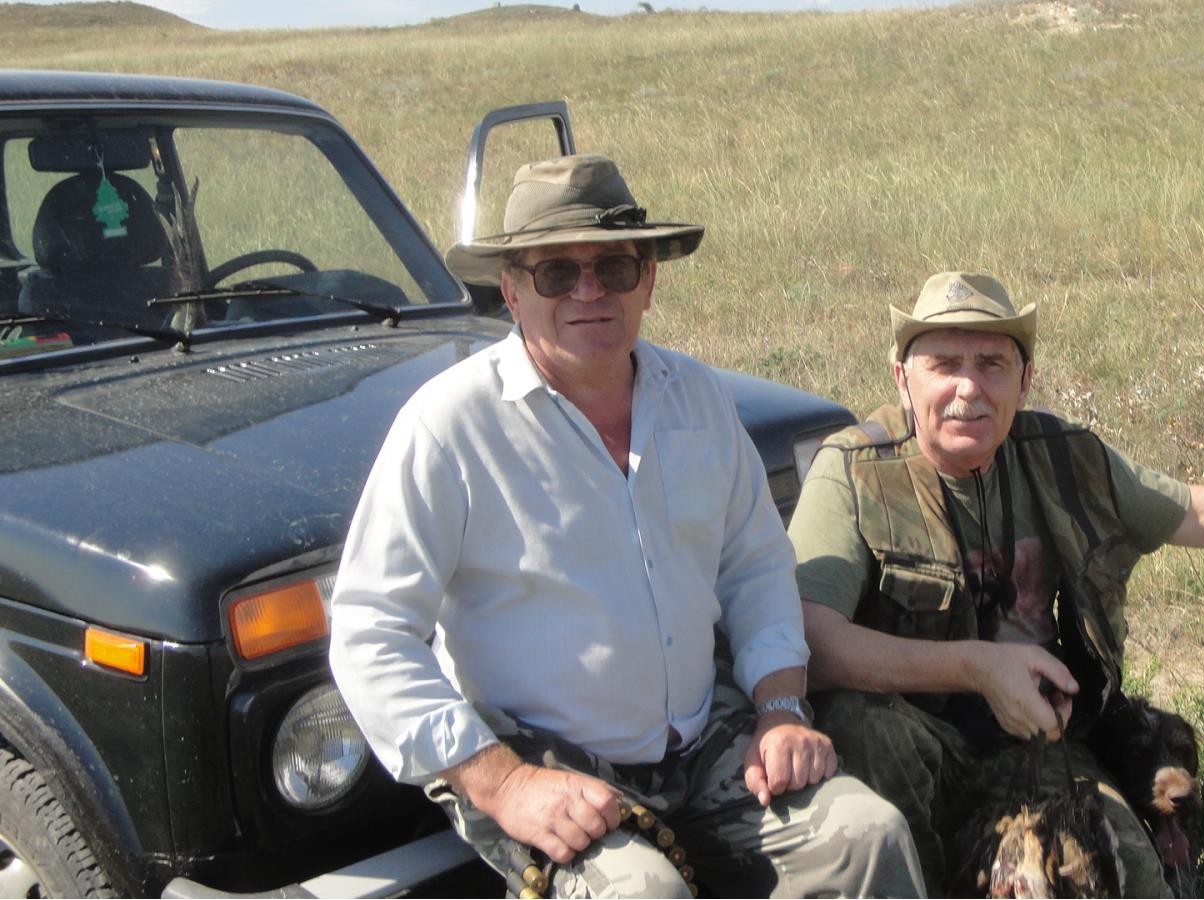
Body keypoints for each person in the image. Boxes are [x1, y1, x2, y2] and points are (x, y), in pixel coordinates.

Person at [329, 154, 922, 899]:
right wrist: (502, 783)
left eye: (613, 267)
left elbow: (755, 564)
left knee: (868, 836)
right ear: (511, 291)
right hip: (544, 765)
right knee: (643, 894)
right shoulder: (449, 426)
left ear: (648, 280)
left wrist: (779, 708)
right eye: (556, 272)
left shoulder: (697, 397)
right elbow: (369, 632)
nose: (589, 291)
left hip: (707, 735)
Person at [787, 271, 1204, 897]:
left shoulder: (1060, 458)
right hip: (914, 758)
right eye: (944, 364)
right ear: (903, 379)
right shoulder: (854, 470)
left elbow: (1201, 513)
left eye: (991, 364)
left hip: (1041, 747)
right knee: (861, 727)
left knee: (1126, 875)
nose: (968, 388)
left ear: (1025, 380)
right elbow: (812, 640)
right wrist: (978, 668)